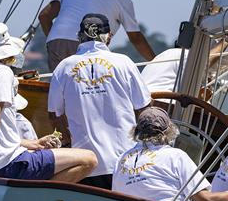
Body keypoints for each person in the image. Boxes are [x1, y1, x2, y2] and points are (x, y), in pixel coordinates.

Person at [0, 21, 96, 181]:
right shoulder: (1, 71)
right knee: (89, 159)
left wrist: (34, 143)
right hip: (12, 163)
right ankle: (38, 199)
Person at [48, 13, 151, 189]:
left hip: (85, 163)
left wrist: (67, 141)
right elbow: (145, 109)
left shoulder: (64, 67)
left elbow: (54, 115)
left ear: (79, 36)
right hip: (127, 161)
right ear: (109, 36)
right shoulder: (124, 62)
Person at [38, 0, 155, 70]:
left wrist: (58, 39)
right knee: (89, 88)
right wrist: (156, 63)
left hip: (56, 42)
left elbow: (44, 16)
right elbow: (136, 38)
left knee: (60, 87)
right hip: (87, 46)